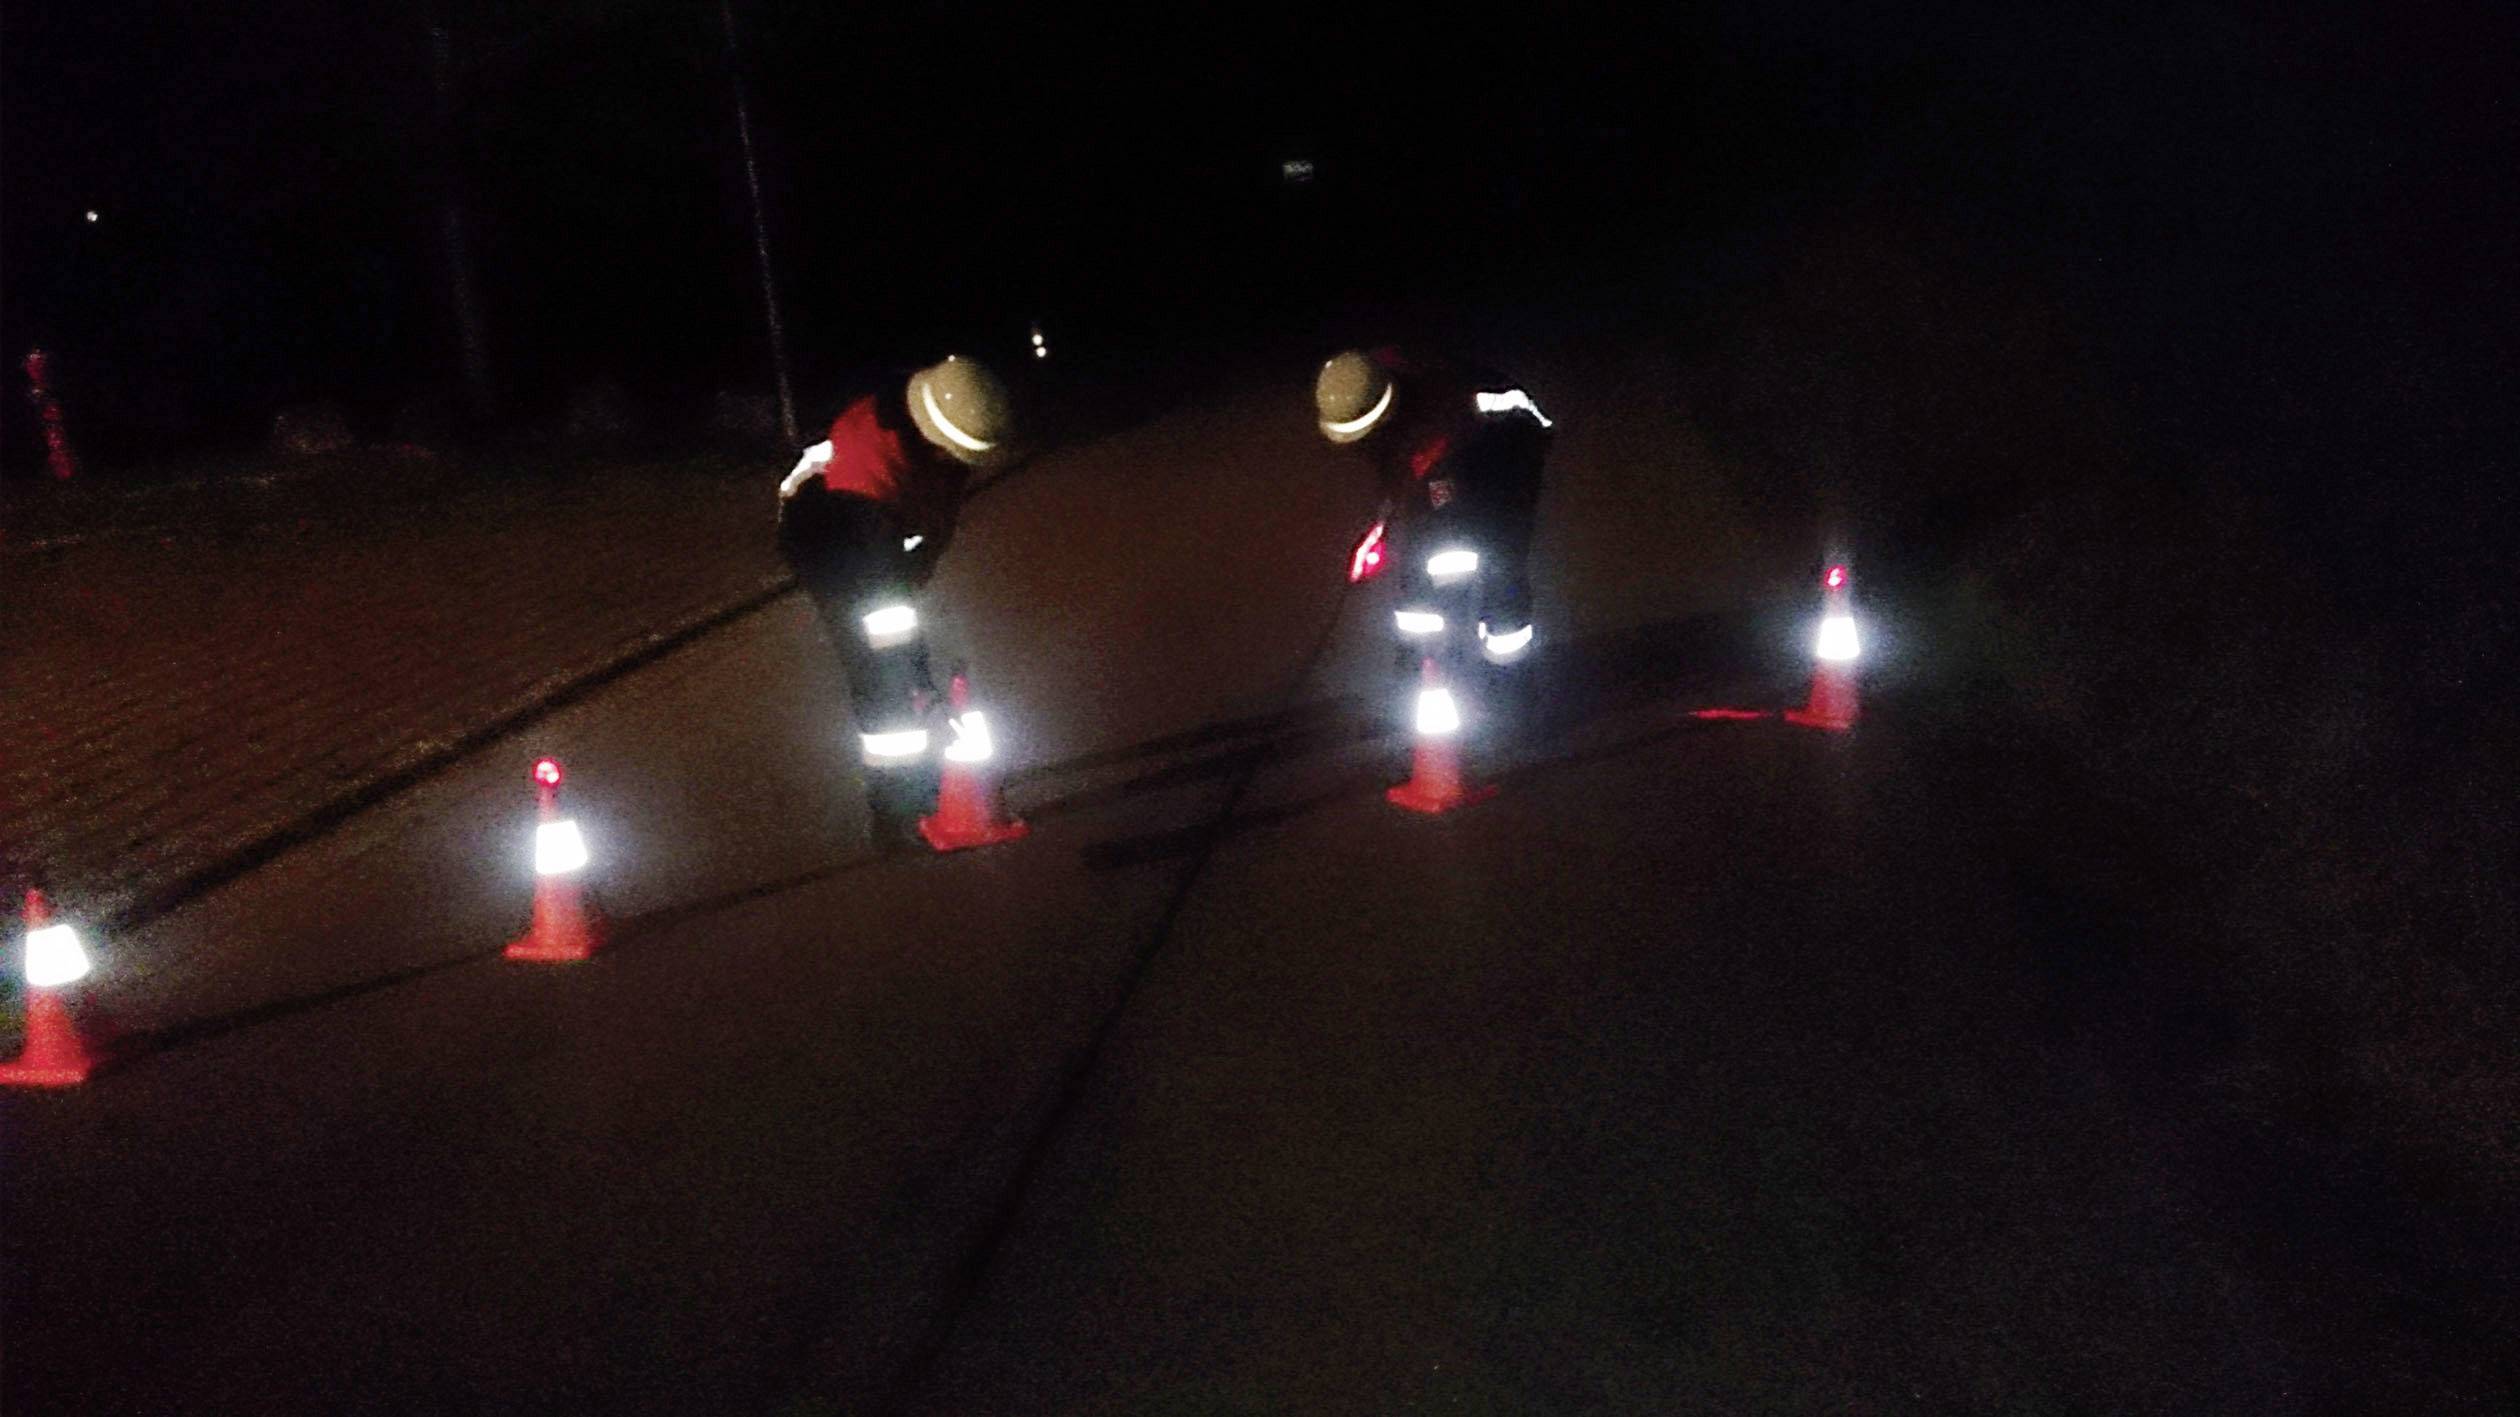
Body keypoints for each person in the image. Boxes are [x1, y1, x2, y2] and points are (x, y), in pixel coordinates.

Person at [777, 355, 1015, 842]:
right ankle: (896, 810)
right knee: (878, 669)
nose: (957, 465)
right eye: (953, 455)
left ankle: (924, 774)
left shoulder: (936, 430)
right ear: (934, 436)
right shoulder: (866, 474)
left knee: (903, 651)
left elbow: (936, 514)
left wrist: (919, 568)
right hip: (828, 538)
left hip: (882, 535)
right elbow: (882, 597)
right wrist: (915, 672)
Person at [1315, 347, 1553, 674]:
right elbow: (1397, 474)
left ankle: (1508, 677)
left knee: (1496, 552)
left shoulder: (1440, 401)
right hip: (1450, 450)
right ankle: (1415, 666)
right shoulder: (1367, 399)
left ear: (1387, 408)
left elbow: (1443, 485)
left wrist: (1447, 550)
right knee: (1422, 552)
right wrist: (1379, 529)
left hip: (1509, 440)